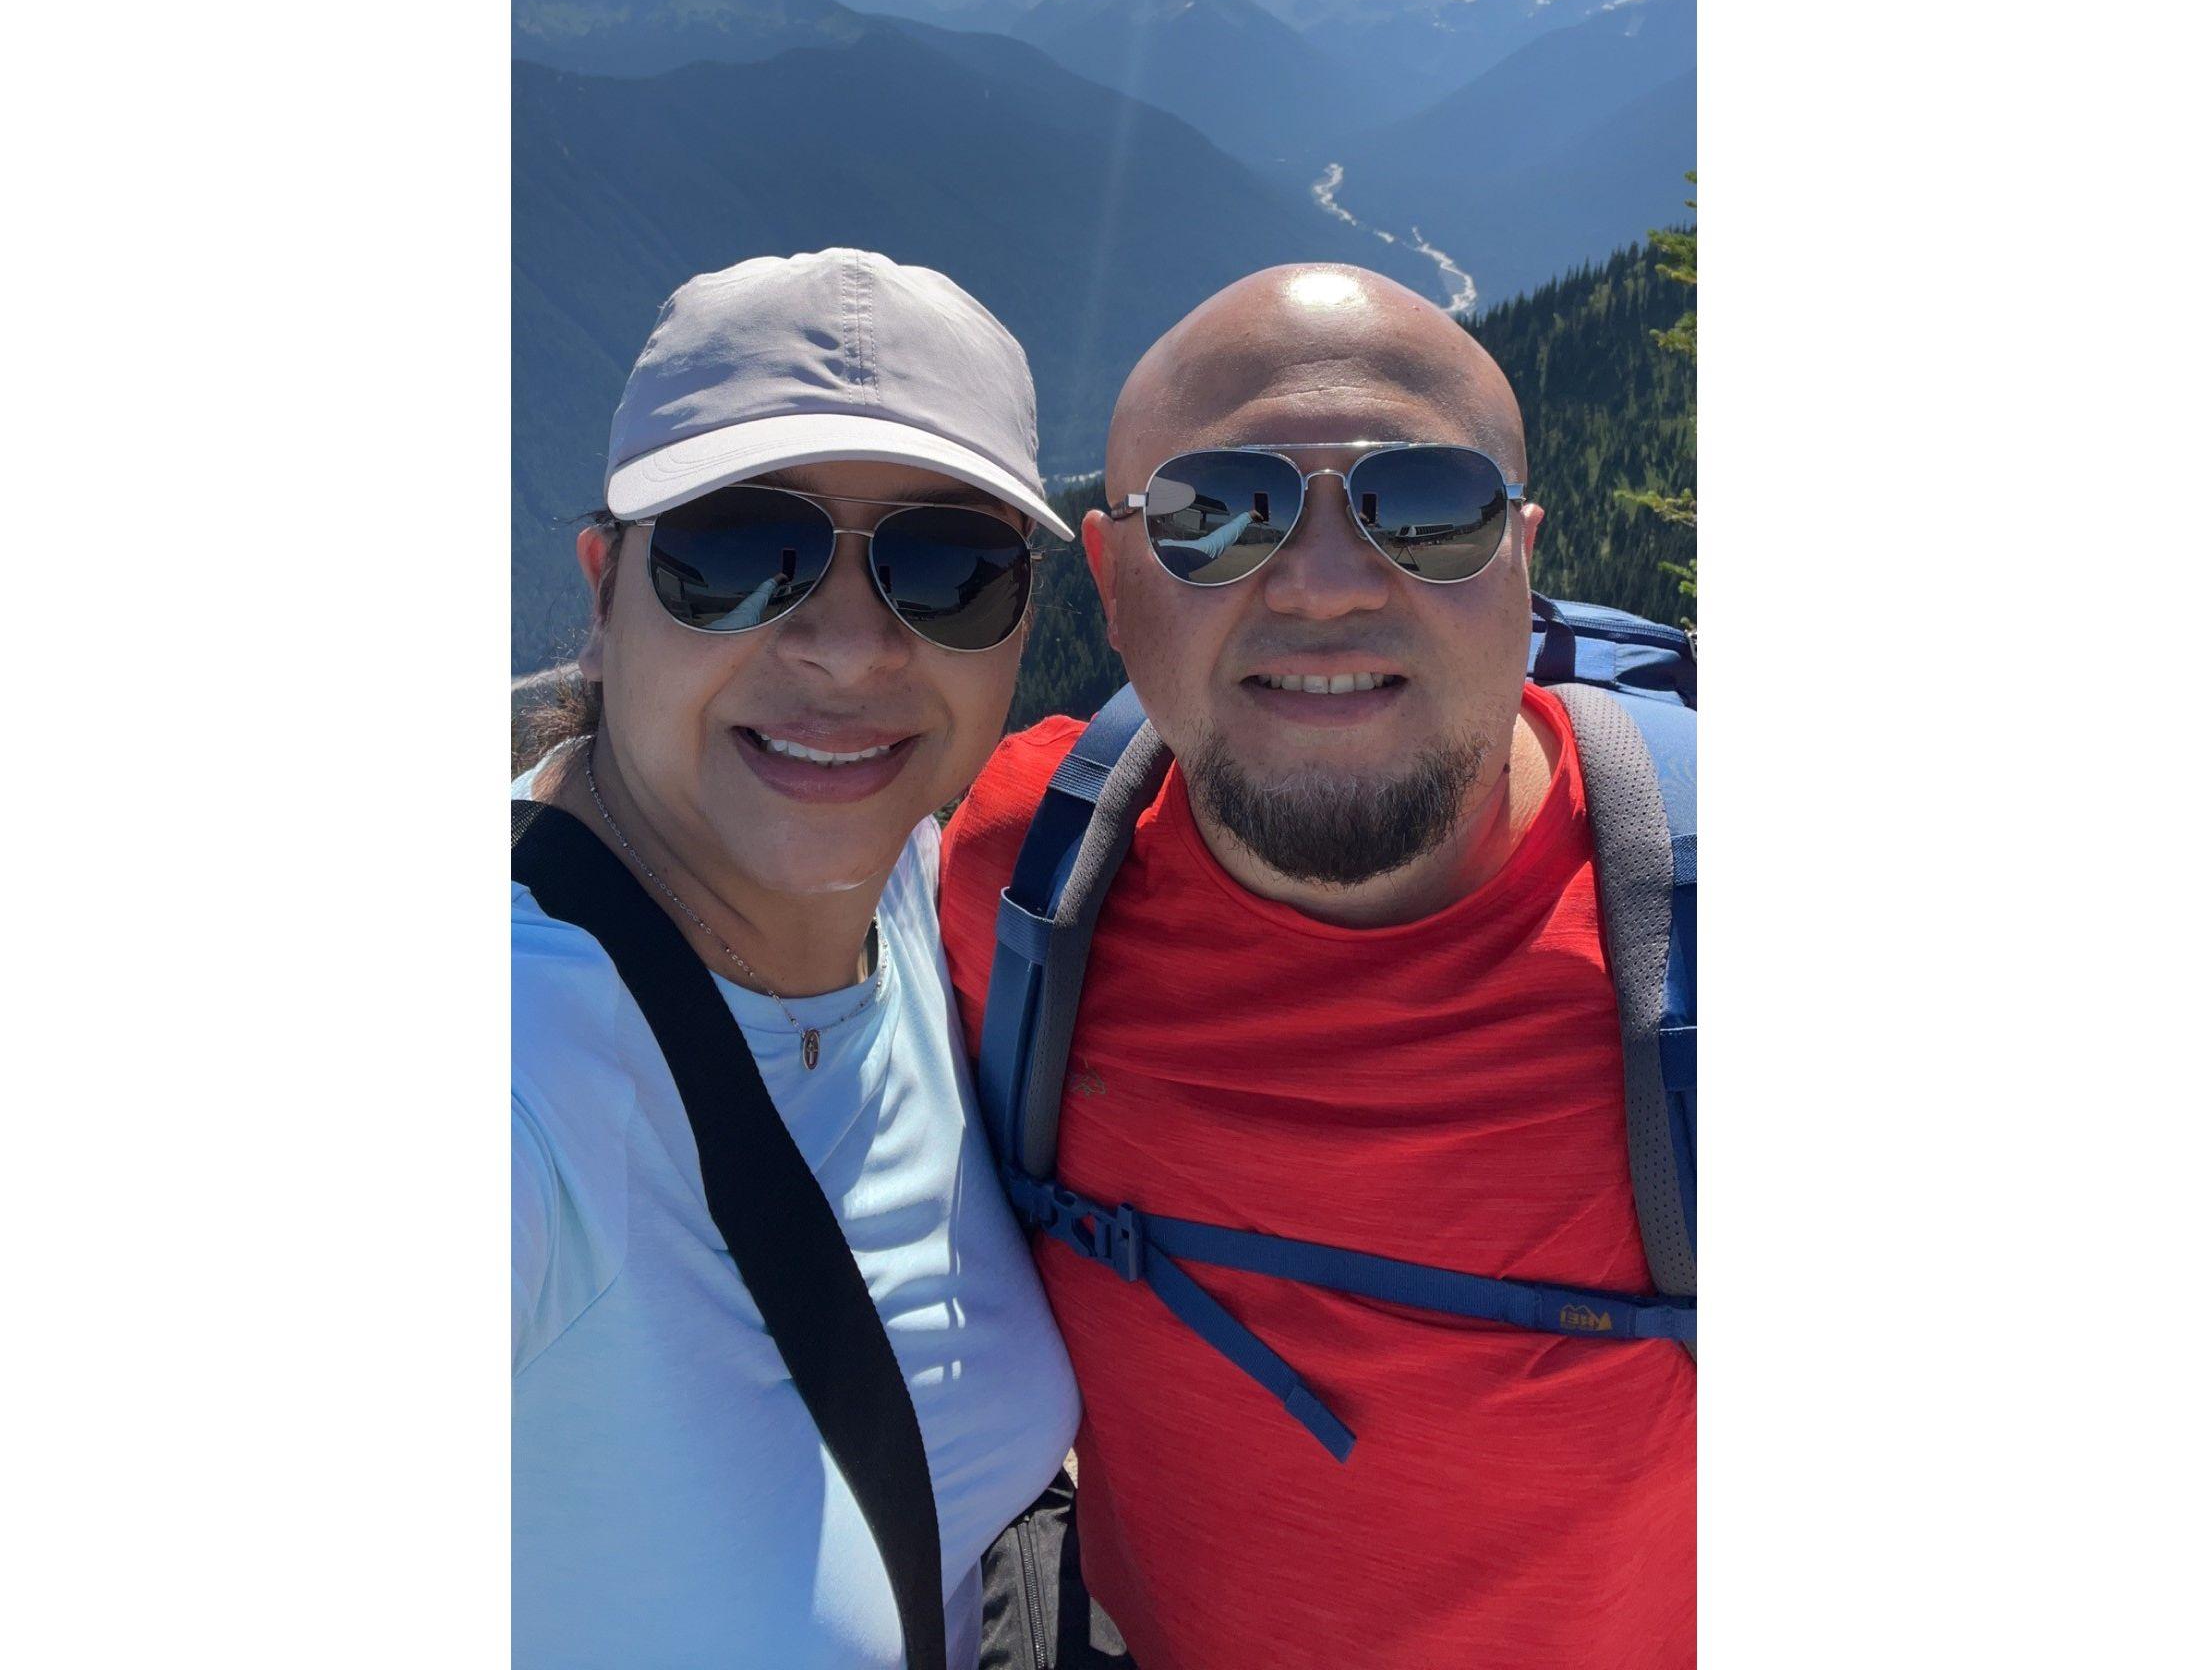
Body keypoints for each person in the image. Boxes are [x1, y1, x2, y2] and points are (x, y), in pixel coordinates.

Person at [938, 264, 1695, 1669]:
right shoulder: (1020, 873)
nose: (1329, 586)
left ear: (1521, 562)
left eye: (1428, 510)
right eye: (1217, 514)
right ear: (1112, 582)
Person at [513, 248, 1082, 1670]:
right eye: (735, 554)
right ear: (603, 596)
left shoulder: (928, 894)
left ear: (1018, 627)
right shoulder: (519, 1075)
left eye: (945, 570)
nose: (846, 649)